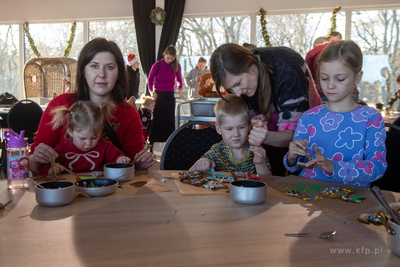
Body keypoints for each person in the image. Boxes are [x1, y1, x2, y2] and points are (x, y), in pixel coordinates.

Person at [29, 38, 156, 174]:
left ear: (119, 73)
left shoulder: (128, 113)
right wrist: (36, 158)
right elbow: (34, 165)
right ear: (83, 71)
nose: (102, 74)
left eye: (109, 67)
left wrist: (141, 165)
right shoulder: (60, 104)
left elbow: (134, 168)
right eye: (94, 66)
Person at [283, 40, 387, 187]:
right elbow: (294, 166)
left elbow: (377, 167)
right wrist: (292, 156)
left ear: (357, 77)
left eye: (340, 79)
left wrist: (334, 167)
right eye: (324, 78)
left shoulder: (371, 118)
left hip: (350, 200)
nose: (330, 85)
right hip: (308, 196)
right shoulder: (309, 117)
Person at [210, 43, 322, 176]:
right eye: (230, 89)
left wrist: (264, 136)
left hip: (308, 140)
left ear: (250, 64)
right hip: (269, 141)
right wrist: (255, 125)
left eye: (238, 83)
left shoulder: (287, 66)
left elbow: (296, 135)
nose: (237, 94)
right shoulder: (240, 84)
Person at [38, 101, 131, 175]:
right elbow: (43, 170)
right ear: (70, 131)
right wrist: (51, 171)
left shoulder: (106, 146)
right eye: (83, 139)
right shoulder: (61, 150)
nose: (89, 143)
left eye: (94, 138)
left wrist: (121, 160)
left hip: (99, 189)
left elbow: (117, 158)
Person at [189, 94, 271, 175]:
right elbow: (188, 174)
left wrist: (260, 163)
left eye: (241, 127)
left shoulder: (256, 150)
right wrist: (198, 165)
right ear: (218, 129)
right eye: (229, 129)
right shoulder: (216, 151)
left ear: (249, 125)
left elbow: (269, 182)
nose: (236, 134)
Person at [147, 45, 182, 145]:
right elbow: (150, 79)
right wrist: (151, 91)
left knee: (170, 118)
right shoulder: (157, 64)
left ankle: (169, 140)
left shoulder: (176, 65)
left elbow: (179, 80)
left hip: (170, 95)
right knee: (158, 117)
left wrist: (179, 90)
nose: (170, 60)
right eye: (168, 58)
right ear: (164, 54)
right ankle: (154, 140)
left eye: (172, 58)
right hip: (158, 94)